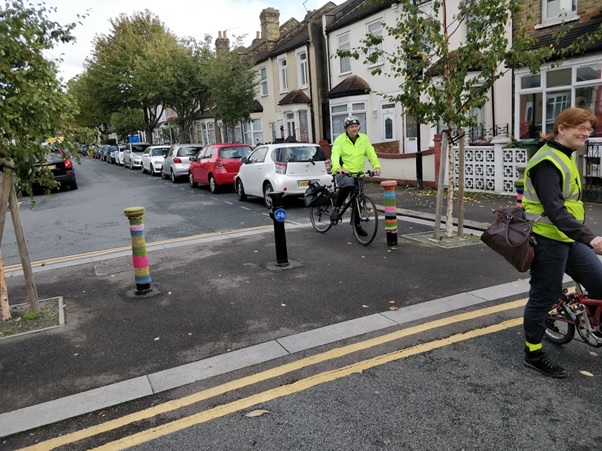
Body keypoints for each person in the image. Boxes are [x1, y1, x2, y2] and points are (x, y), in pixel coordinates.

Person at [522, 107, 602, 378]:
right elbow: (555, 211)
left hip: (569, 237)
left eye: (589, 129)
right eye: (581, 127)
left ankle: (592, 324)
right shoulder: (547, 162)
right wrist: (590, 238)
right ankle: (533, 353)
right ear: (562, 128)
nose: (586, 133)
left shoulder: (566, 156)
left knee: (600, 281)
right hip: (547, 239)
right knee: (543, 297)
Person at [330, 116, 381, 235]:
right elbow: (335, 154)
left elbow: (371, 153)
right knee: (348, 185)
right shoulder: (340, 140)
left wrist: (376, 166)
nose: (354, 129)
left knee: (358, 200)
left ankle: (357, 225)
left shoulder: (363, 139)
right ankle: (336, 209)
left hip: (358, 173)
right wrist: (338, 167)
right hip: (344, 172)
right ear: (346, 129)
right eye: (351, 127)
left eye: (356, 126)